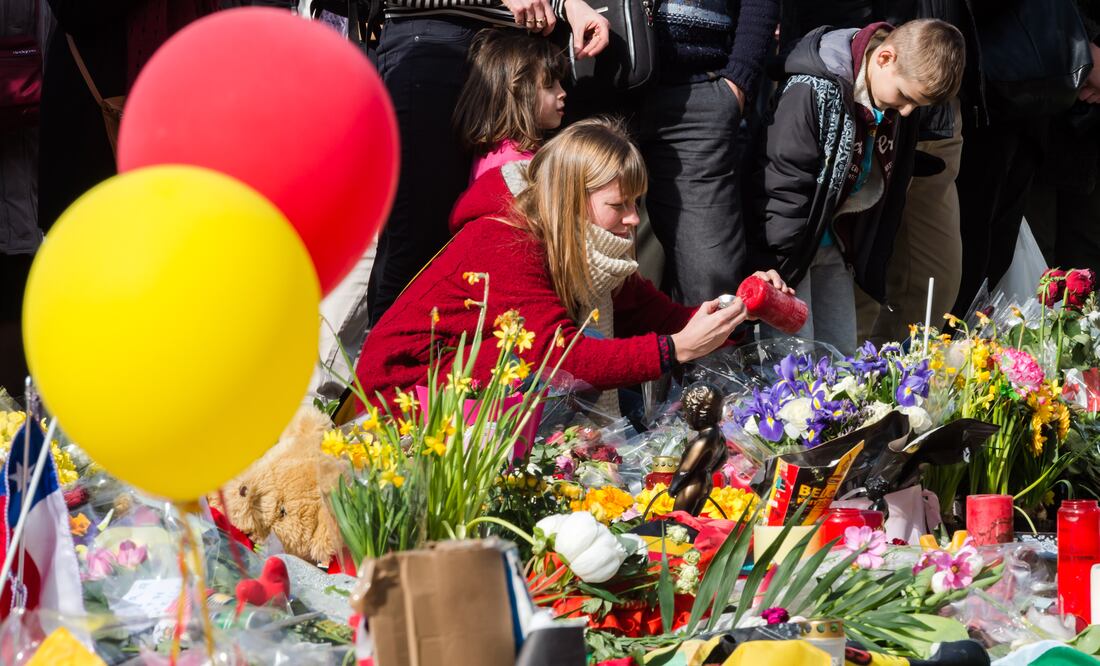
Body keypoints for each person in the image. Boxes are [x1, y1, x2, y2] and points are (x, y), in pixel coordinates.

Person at [354, 118, 790, 414]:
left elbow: (670, 318)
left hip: (463, 394)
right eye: (619, 205)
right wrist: (675, 348)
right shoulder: (505, 241)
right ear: (570, 199)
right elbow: (562, 358)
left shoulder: (594, 250)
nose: (634, 219)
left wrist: (740, 308)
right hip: (401, 401)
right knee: (548, 367)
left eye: (635, 203)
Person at [364, 0, 611, 327]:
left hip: (520, 56)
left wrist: (571, 5)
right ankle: (385, 373)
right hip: (435, 42)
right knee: (418, 247)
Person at [746, 19, 963, 355]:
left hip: (834, 245)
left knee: (840, 355)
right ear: (884, 58)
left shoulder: (891, 102)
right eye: (905, 97)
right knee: (793, 358)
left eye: (916, 106)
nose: (906, 111)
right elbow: (782, 179)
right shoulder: (811, 89)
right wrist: (777, 260)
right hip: (789, 253)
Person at [635, 0, 778, 305]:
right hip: (602, 78)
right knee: (587, 260)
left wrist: (738, 82)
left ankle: (710, 354)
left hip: (701, 91)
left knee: (712, 281)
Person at [454, 30, 568, 183]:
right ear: (517, 93)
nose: (562, 93)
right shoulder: (517, 164)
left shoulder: (495, 151)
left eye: (560, 83)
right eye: (549, 85)